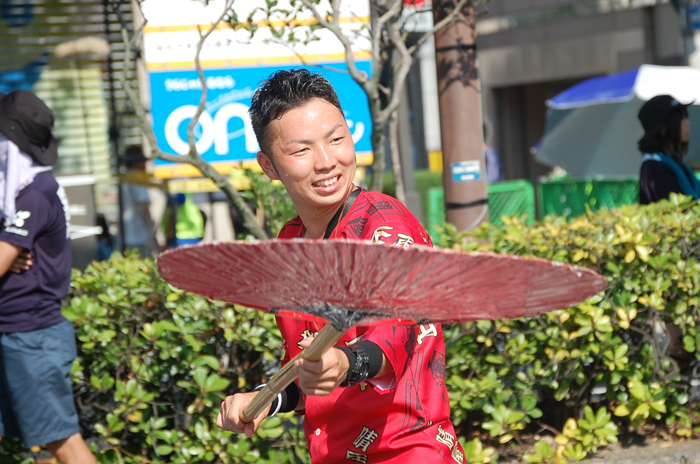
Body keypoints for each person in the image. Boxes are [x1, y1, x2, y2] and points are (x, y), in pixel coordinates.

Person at [216, 69, 465, 463]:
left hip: (409, 452)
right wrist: (267, 400)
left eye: (337, 139)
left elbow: (393, 337)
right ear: (268, 165)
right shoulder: (290, 244)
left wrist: (346, 362)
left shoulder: (385, 225)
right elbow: (310, 372)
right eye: (302, 151)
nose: (327, 161)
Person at [0, 91, 96, 463]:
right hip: (16, 332)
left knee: (61, 440)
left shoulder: (34, 192)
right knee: (40, 444)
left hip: (31, 336)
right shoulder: (12, 193)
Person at [638, 94, 700, 204]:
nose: (688, 123)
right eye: (681, 118)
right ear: (662, 128)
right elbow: (675, 212)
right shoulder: (654, 167)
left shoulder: (673, 161)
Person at [120, 145, 157, 256]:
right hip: (139, 235)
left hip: (128, 236)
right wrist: (151, 225)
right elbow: (143, 204)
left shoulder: (125, 178)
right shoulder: (136, 178)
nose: (145, 164)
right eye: (142, 161)